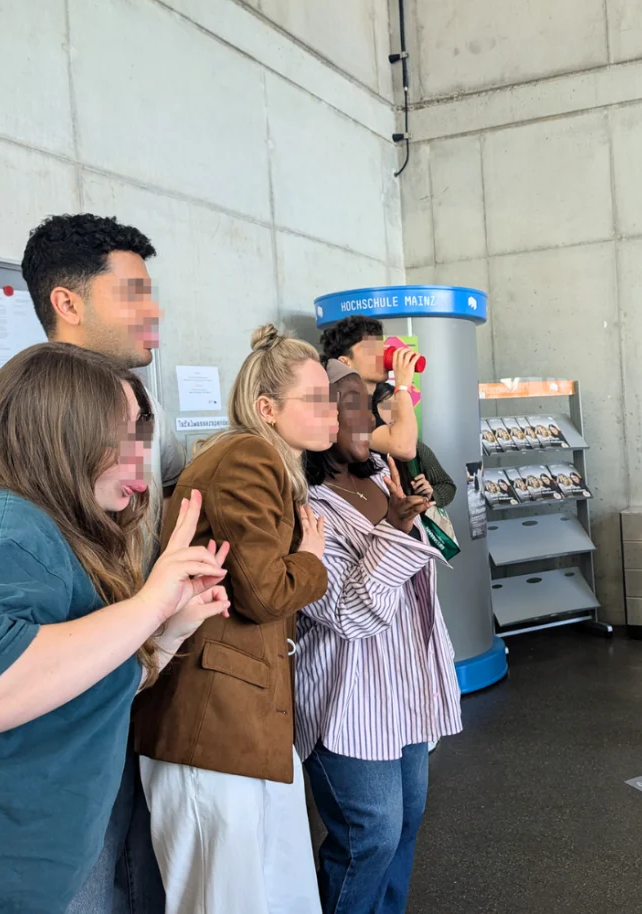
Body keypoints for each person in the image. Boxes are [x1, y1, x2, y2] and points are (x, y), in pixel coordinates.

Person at [0, 213, 183, 913]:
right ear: (67, 301)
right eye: (132, 292)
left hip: (102, 725)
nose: (153, 311)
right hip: (12, 797)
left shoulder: (139, 411)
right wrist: (152, 606)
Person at [133, 326, 335, 913]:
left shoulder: (264, 462)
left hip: (241, 721)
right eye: (314, 398)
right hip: (213, 723)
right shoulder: (249, 456)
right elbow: (265, 593)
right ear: (267, 409)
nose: (331, 410)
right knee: (226, 899)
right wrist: (312, 560)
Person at [298, 360, 463, 914]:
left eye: (370, 404)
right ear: (319, 415)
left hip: (407, 687)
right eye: (354, 404)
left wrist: (413, 517)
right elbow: (348, 612)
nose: (371, 417)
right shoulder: (305, 506)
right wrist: (394, 528)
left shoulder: (379, 477)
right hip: (350, 702)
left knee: (406, 823)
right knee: (370, 836)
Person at [319, 315, 420, 460]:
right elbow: (404, 448)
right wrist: (403, 387)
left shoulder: (380, 401)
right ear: (345, 362)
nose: (381, 354)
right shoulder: (344, 409)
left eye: (381, 347)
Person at [374, 381, 456, 509]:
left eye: (397, 406)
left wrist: (431, 494)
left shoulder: (416, 449)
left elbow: (448, 486)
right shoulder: (365, 451)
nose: (394, 412)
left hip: (415, 520)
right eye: (387, 406)